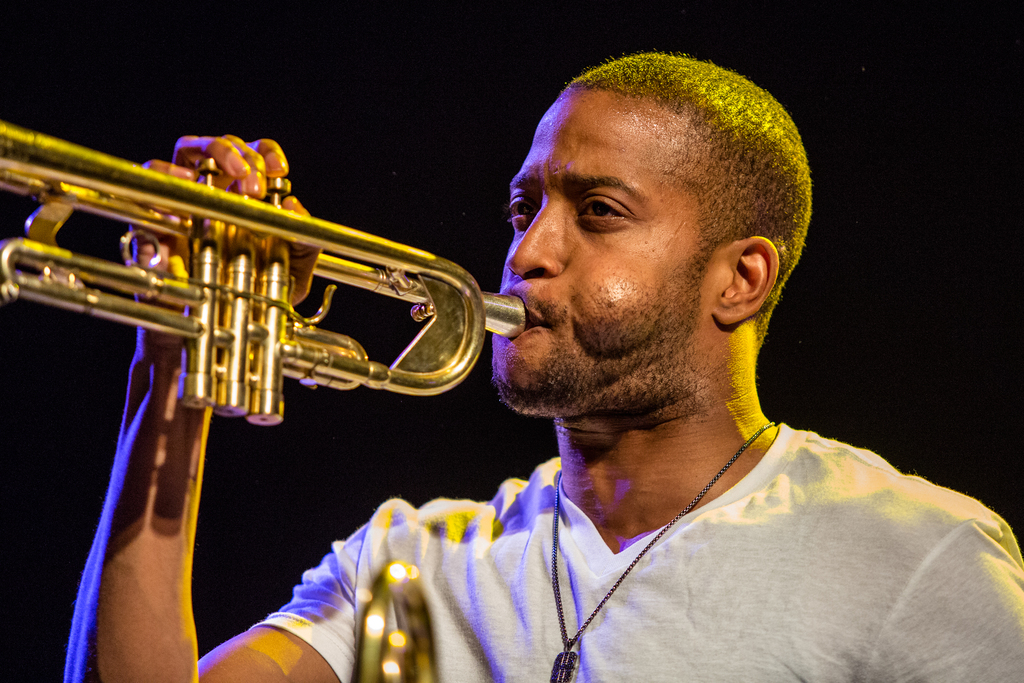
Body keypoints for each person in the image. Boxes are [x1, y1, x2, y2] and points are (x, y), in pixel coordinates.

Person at [66, 53, 1024, 682]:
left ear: (740, 279)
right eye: (525, 209)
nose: (529, 251)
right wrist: (173, 361)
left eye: (598, 211)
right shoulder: (411, 563)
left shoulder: (911, 554)